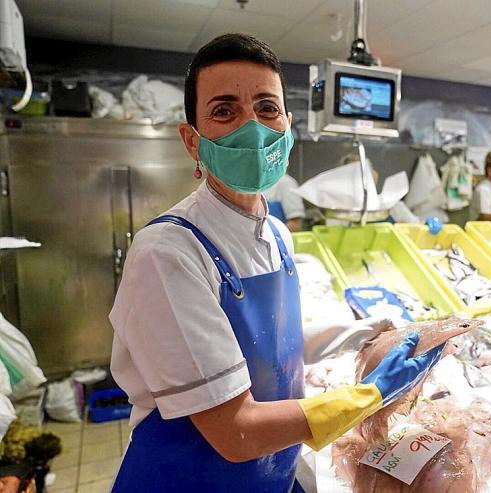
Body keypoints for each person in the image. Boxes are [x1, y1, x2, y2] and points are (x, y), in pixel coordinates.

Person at [109, 33, 445, 492]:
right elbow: (237, 429)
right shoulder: (168, 252)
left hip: (268, 474)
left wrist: (371, 332)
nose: (253, 126)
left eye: (267, 108)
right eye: (224, 111)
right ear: (192, 140)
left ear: (287, 126)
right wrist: (371, 395)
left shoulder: (277, 234)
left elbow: (271, 346)